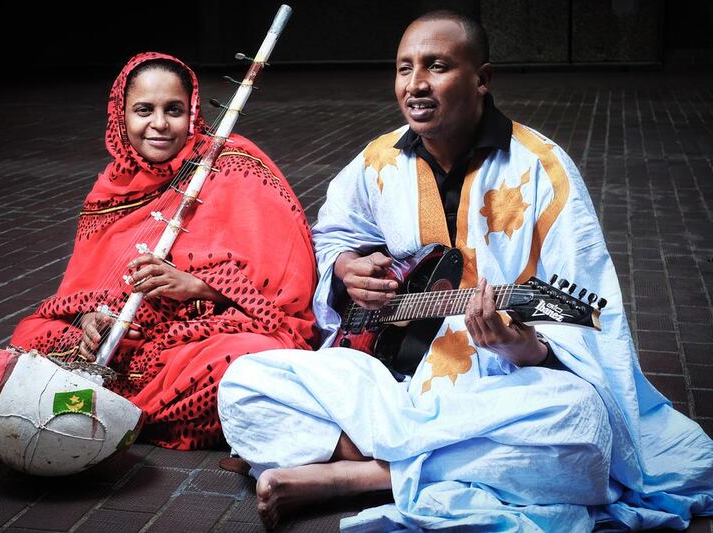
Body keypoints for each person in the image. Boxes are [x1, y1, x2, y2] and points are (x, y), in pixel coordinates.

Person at [217, 11, 713, 531]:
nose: (416, 84)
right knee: (246, 383)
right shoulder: (378, 160)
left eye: (436, 66)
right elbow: (333, 234)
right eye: (404, 68)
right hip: (391, 376)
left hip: (502, 388)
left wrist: (520, 345)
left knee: (579, 425)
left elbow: (589, 320)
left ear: (482, 79)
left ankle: (361, 473)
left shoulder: (542, 169)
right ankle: (423, 463)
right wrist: (346, 267)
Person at [10, 52, 318, 450]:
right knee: (31, 335)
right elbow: (79, 290)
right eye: (143, 110)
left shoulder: (234, 164)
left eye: (173, 109)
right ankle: (124, 407)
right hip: (125, 346)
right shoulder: (111, 190)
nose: (158, 124)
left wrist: (196, 285)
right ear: (121, 116)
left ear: (192, 112)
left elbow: (285, 289)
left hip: (200, 339)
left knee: (249, 359)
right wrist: (91, 320)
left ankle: (115, 410)